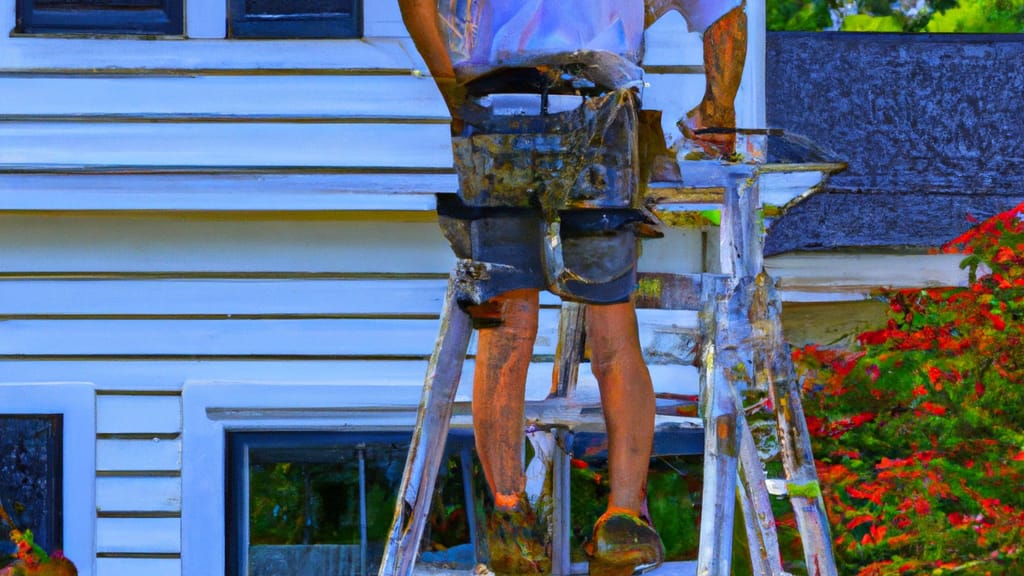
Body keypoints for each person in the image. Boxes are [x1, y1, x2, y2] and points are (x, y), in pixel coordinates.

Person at [397, 1, 747, 573]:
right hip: (599, 108)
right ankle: (623, 517)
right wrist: (717, 109)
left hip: (495, 106)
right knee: (612, 324)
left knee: (505, 326)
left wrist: (452, 94)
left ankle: (511, 514)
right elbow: (723, 13)